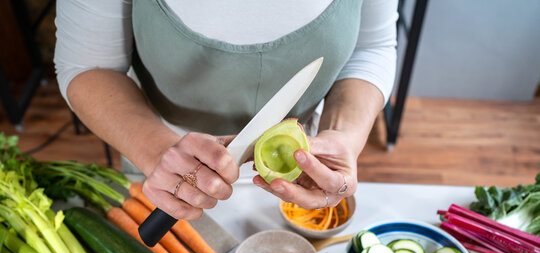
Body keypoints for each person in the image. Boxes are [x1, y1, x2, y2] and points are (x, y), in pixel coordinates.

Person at [54, 0, 398, 220]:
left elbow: (373, 47)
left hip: (301, 174)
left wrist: (344, 137)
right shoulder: (167, 165)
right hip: (170, 172)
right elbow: (87, 66)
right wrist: (159, 151)